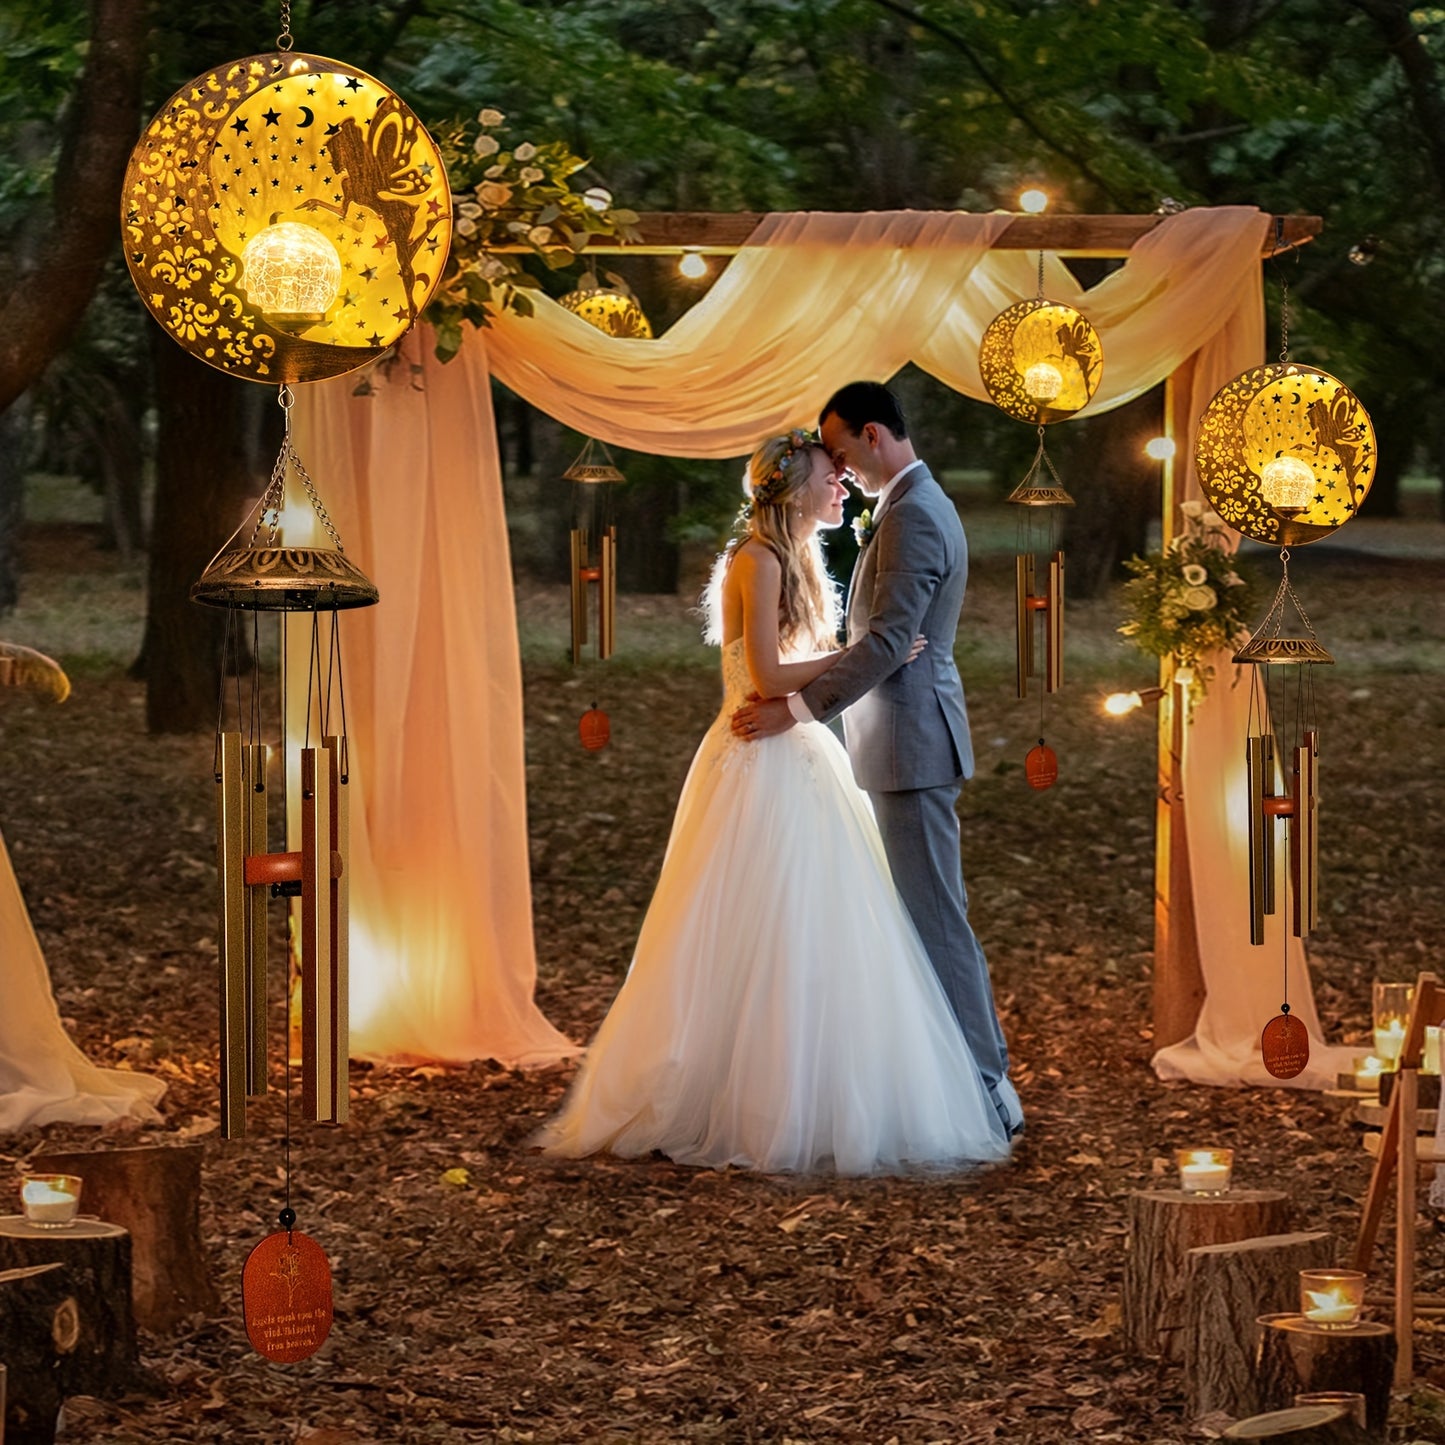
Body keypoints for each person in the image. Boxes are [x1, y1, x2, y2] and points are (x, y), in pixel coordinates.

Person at [534, 429, 1011, 1175]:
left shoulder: (803, 560)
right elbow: (762, 671)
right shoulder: (752, 560)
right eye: (829, 477)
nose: (841, 489)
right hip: (755, 756)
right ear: (793, 489)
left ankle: (813, 1086)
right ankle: (736, 1094)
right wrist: (868, 655)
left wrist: (859, 658)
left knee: (818, 923)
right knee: (746, 921)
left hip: (800, 751)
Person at [731, 382, 1023, 1140]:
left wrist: (792, 710)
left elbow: (891, 644)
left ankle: (985, 1084)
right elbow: (886, 640)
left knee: (934, 918)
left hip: (911, 743)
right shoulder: (905, 507)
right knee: (925, 914)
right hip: (896, 739)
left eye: (840, 451)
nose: (837, 466)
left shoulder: (915, 513)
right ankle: (965, 1075)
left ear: (870, 434)